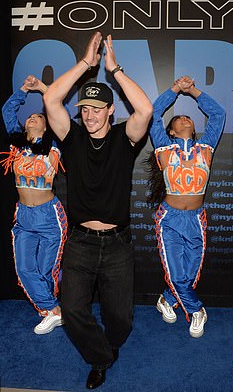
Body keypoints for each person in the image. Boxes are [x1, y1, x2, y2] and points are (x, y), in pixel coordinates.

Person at [42, 31, 153, 389]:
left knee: (121, 320)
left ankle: (108, 346)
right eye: (84, 109)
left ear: (110, 111)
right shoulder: (71, 138)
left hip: (118, 244)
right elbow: (51, 98)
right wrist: (86, 65)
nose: (89, 115)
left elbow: (146, 109)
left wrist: (113, 69)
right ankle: (100, 358)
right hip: (80, 243)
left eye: (96, 109)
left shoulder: (125, 138)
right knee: (73, 312)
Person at [145, 76, 225, 338]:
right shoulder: (163, 147)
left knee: (191, 272)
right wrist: (175, 90)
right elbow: (153, 113)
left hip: (196, 218)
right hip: (169, 218)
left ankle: (167, 298)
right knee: (177, 273)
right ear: (170, 131)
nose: (185, 119)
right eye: (179, 119)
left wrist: (193, 91)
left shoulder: (206, 147)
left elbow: (217, 114)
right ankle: (197, 309)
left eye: (188, 118)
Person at [0, 75, 67, 335]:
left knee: (47, 270)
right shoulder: (16, 146)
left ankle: (51, 309)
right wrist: (23, 91)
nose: (33, 118)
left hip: (49, 215)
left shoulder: (54, 145)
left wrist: (43, 90)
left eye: (39, 117)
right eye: (30, 117)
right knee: (24, 269)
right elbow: (8, 110)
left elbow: (58, 110)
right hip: (24, 215)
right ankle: (52, 309)